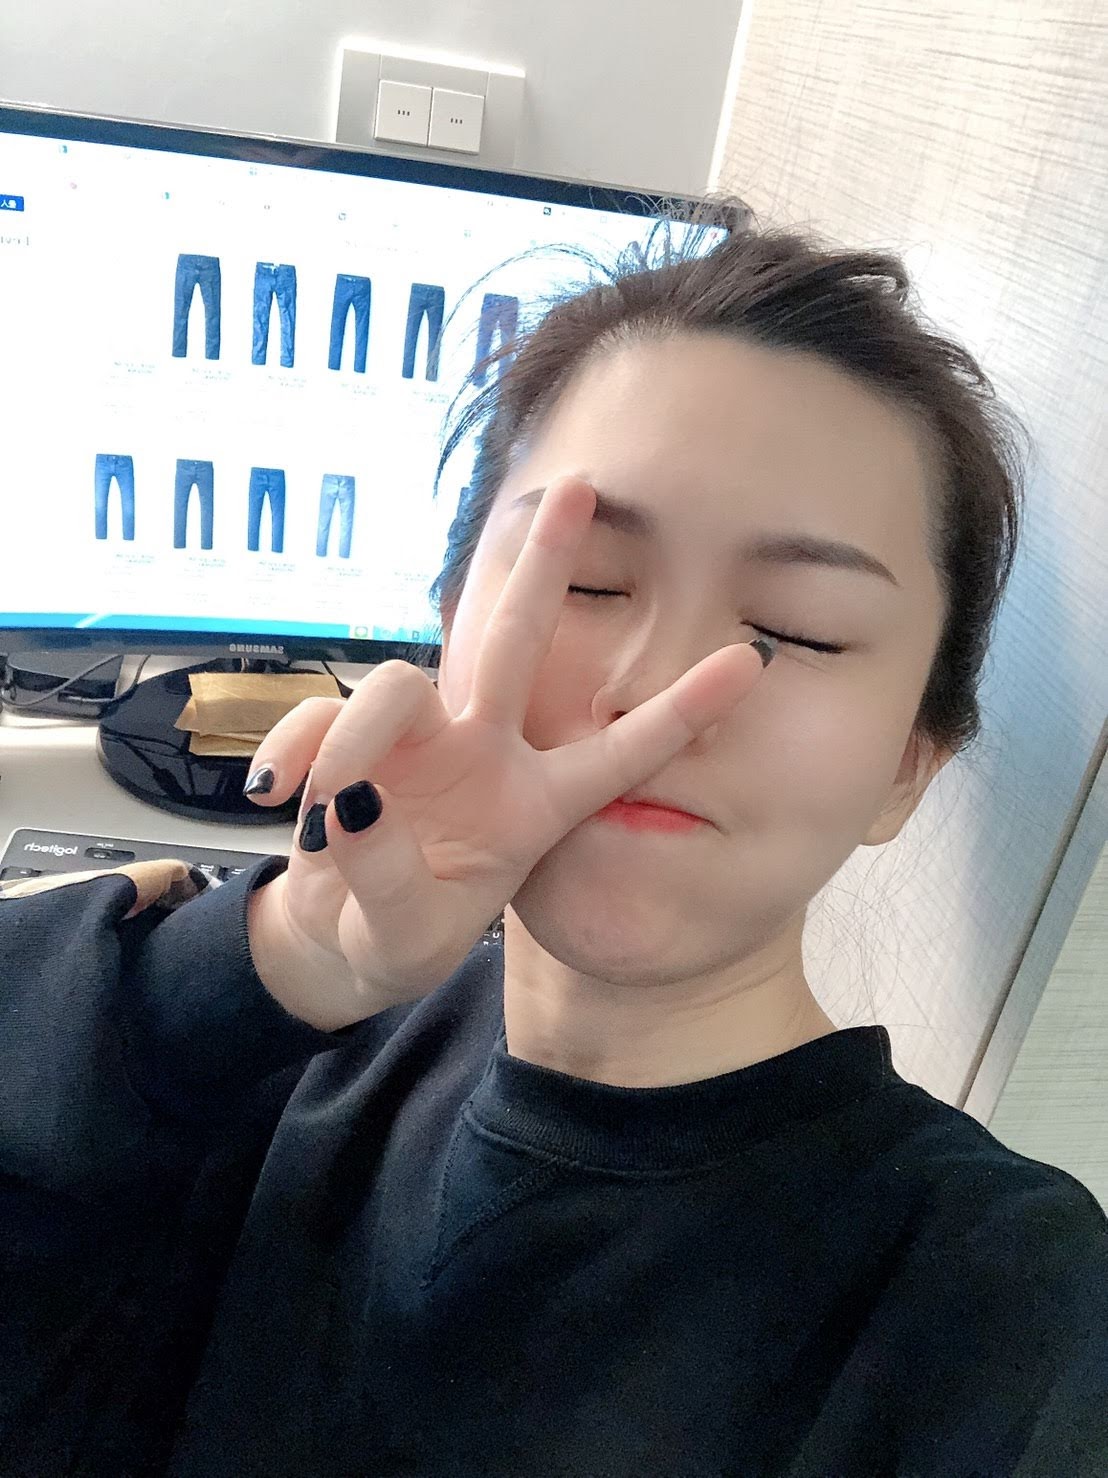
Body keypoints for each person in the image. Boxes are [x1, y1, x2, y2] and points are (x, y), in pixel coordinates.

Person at [3, 203, 1106, 1477]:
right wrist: (275, 958)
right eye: (583, 579)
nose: (652, 691)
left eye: (795, 629)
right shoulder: (265, 1063)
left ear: (908, 764)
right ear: (450, 628)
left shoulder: (999, 1306)